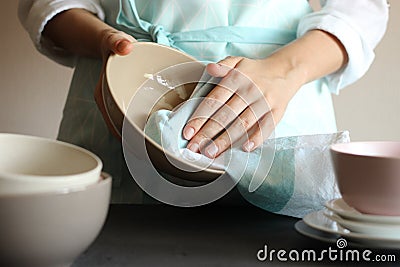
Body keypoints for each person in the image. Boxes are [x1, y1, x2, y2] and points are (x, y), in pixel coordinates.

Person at [18, 0, 389, 203]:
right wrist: (104, 42)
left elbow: (363, 7)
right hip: (122, 90)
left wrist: (284, 71)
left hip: (281, 105)